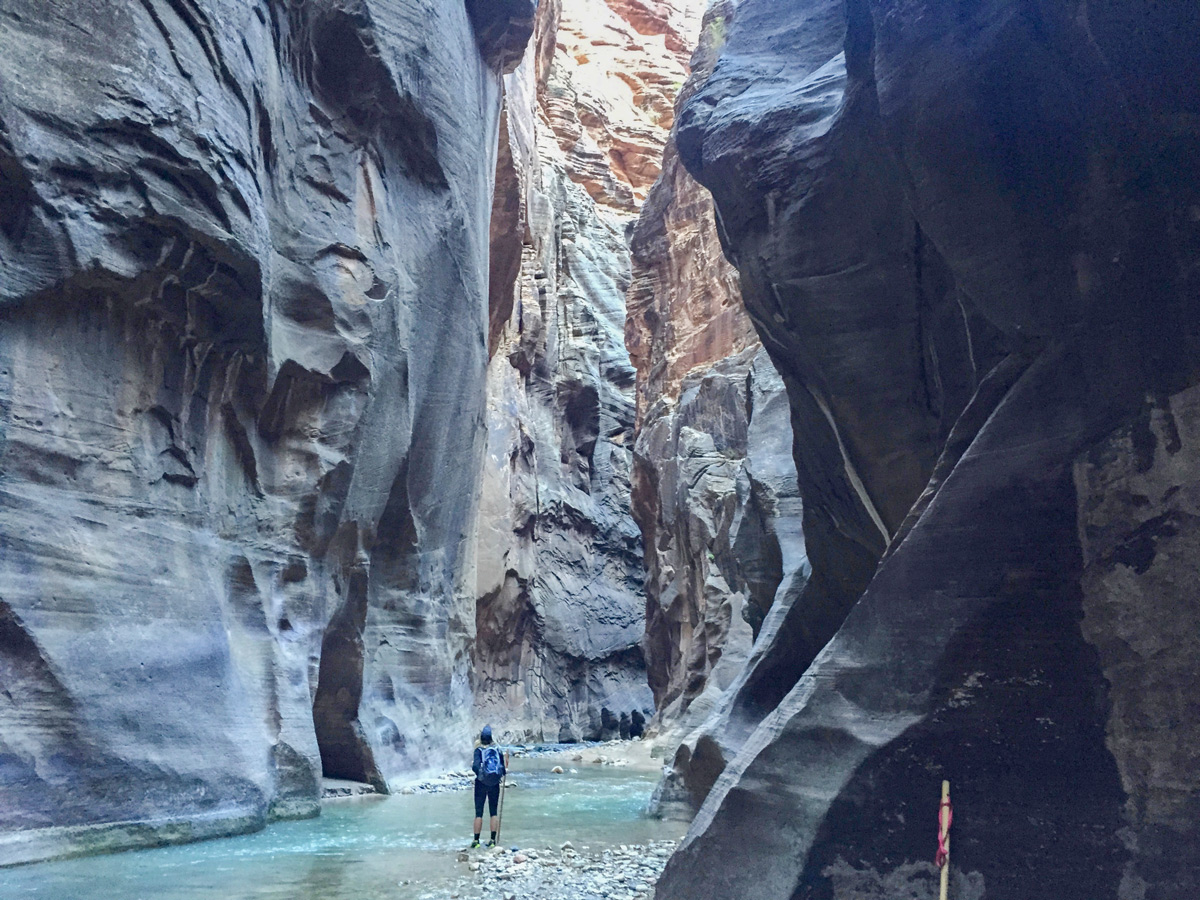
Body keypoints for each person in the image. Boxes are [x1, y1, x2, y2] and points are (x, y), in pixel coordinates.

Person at [470, 725, 507, 848]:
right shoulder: (497, 749)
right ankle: (492, 841)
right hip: (495, 784)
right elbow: (502, 768)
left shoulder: (478, 749)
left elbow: (475, 767)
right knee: (493, 812)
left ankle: (476, 841)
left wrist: (481, 776)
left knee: (479, 813)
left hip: (481, 784)